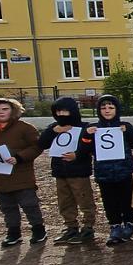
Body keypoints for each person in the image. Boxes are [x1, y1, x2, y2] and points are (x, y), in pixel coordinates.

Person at [0, 97, 45, 247]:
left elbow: (37, 147)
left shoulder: (25, 128)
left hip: (22, 175)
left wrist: (19, 157)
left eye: (5, 109)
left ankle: (39, 230)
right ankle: (13, 233)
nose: (1, 112)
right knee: (7, 207)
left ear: (13, 110)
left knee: (30, 205)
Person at [36, 97, 98, 244]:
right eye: (58, 111)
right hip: (60, 172)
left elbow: (91, 147)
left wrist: (77, 155)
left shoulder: (84, 127)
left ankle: (88, 227)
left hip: (79, 171)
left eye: (65, 111)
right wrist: (53, 131)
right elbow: (42, 143)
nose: (62, 114)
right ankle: (71, 227)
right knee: (65, 201)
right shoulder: (54, 127)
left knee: (85, 199)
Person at [91, 95, 133, 247]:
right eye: (103, 108)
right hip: (104, 173)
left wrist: (128, 131)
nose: (107, 111)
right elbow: (86, 148)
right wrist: (87, 135)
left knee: (127, 199)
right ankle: (114, 226)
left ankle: (129, 223)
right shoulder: (94, 128)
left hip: (125, 171)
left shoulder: (124, 125)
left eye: (111, 108)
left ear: (117, 109)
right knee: (109, 202)